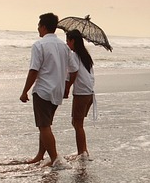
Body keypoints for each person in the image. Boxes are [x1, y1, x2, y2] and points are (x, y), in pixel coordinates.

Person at [20, 13, 78, 166]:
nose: (38, 29)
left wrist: (25, 91)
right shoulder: (63, 47)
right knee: (45, 125)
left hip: (43, 90)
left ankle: (54, 159)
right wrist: (66, 87)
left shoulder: (39, 45)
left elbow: (34, 70)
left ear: (44, 27)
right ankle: (40, 155)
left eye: (39, 26)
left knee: (44, 126)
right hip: (57, 90)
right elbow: (74, 69)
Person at [64, 29, 94, 158]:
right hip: (89, 93)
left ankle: (81, 152)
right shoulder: (85, 56)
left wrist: (67, 88)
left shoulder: (74, 56)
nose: (67, 44)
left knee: (77, 124)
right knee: (77, 123)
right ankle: (83, 149)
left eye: (67, 41)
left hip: (82, 93)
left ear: (73, 41)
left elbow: (73, 73)